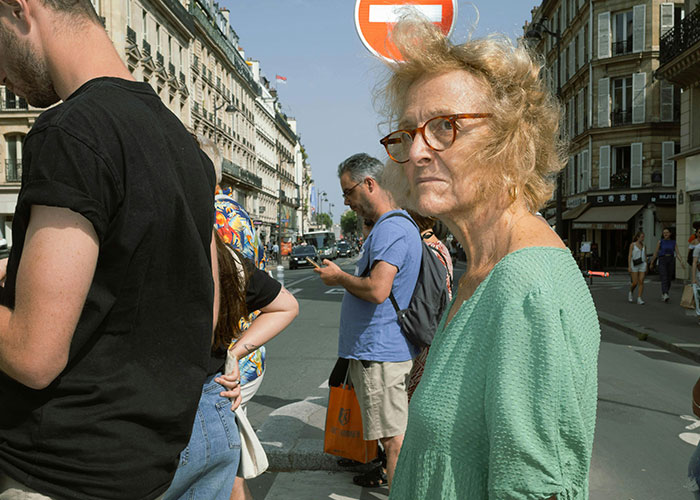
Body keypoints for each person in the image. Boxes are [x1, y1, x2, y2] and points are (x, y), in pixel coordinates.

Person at [0, 2, 220, 499]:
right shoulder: (185, 147)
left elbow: (35, 354)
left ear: (18, 8)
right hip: (145, 470)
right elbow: (199, 316)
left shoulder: (71, 131)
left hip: (53, 471)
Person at [376, 15, 600, 499]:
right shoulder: (481, 270)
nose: (417, 151)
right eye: (408, 133)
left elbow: (538, 488)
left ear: (511, 139)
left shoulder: (529, 287)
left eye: (444, 127)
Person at [315, 153, 422, 489]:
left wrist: (339, 277)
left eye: (349, 192)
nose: (347, 202)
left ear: (370, 184)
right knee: (392, 436)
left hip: (381, 353)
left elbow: (377, 289)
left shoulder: (391, 228)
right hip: (380, 350)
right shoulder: (395, 225)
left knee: (394, 441)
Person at [404, 210, 453, 402]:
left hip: (427, 328)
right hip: (438, 323)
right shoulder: (440, 247)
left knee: (416, 394)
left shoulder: (424, 250)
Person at [650, 228, 685, 302]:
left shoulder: (673, 242)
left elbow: (677, 253)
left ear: (670, 233)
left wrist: (681, 261)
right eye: (664, 233)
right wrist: (652, 263)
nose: (665, 234)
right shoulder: (660, 242)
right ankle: (665, 293)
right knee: (664, 277)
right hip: (662, 259)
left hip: (671, 260)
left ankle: (665, 293)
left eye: (667, 232)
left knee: (669, 278)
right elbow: (655, 253)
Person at [628, 231, 647, 305]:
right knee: (635, 282)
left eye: (643, 237)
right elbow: (629, 255)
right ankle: (631, 291)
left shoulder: (644, 245)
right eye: (642, 237)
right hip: (634, 264)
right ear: (638, 237)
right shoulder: (633, 245)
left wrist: (646, 266)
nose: (643, 238)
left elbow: (645, 255)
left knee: (641, 281)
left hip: (642, 264)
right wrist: (629, 266)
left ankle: (639, 298)